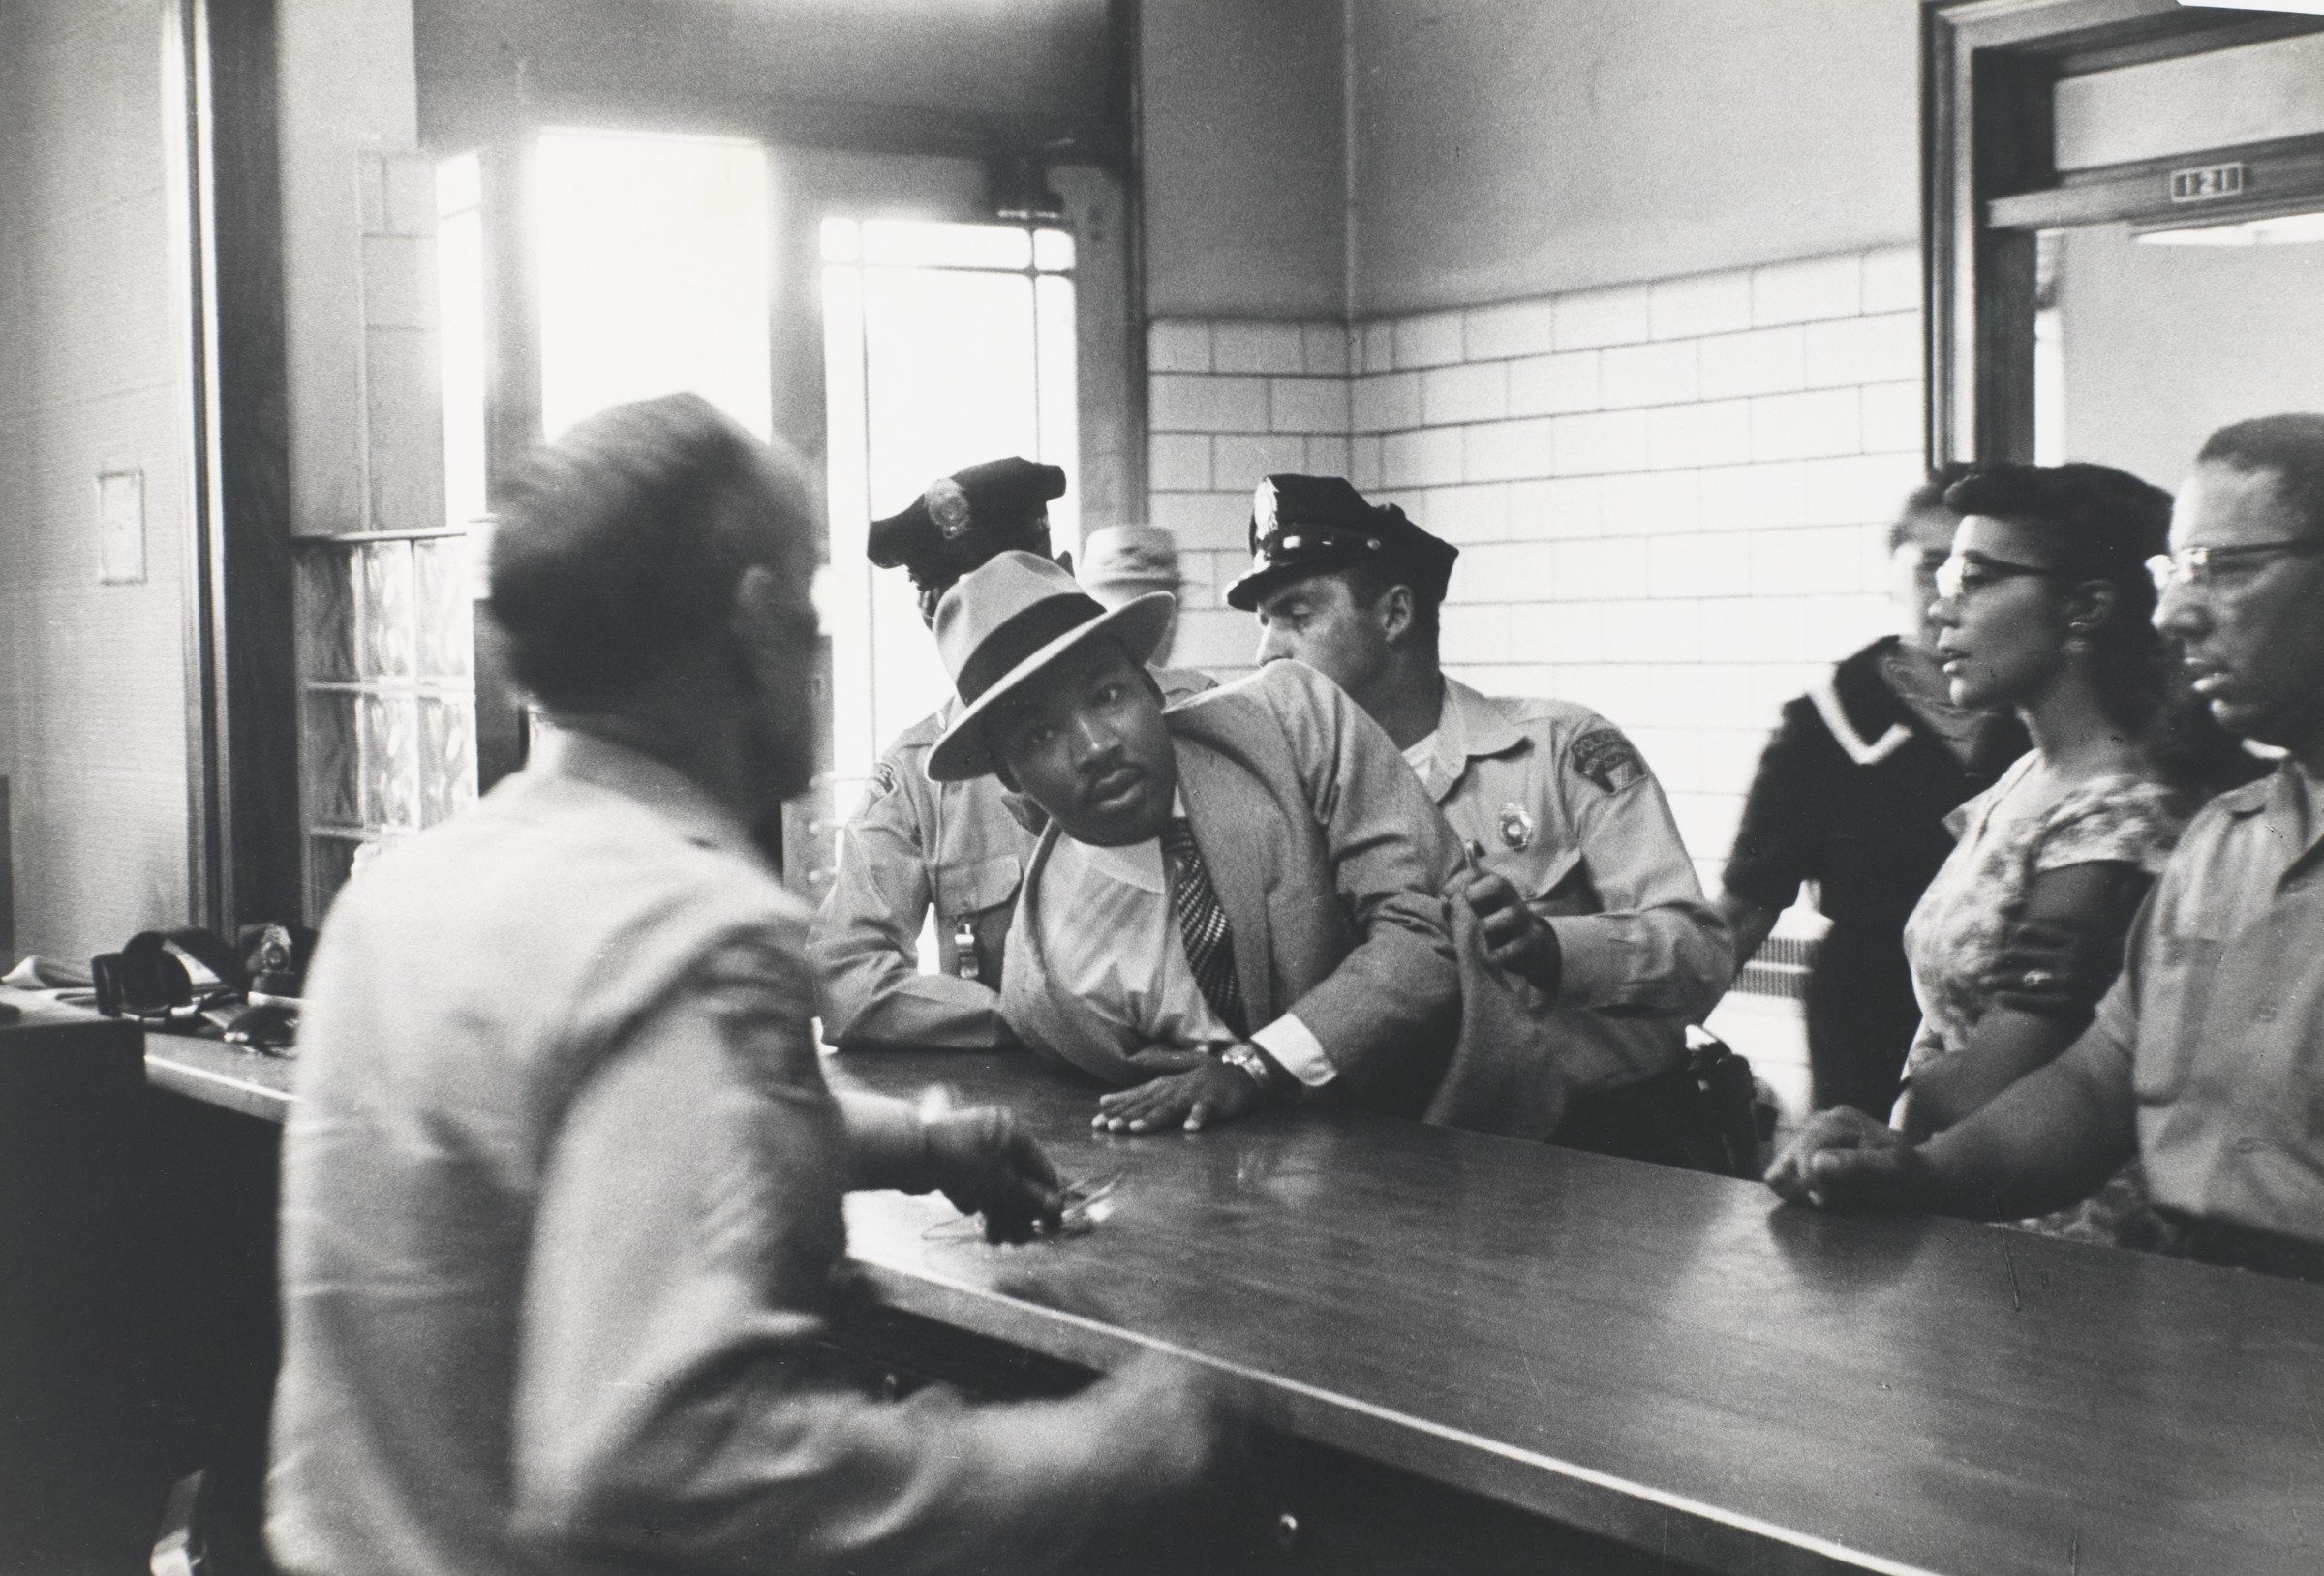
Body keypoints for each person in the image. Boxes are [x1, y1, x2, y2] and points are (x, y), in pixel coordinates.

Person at [268, 396, 1231, 1576]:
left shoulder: (410, 894)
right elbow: (659, 1462)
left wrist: (919, 1145)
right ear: (755, 620)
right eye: (813, 612)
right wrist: (1106, 1448)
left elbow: (577, 1134)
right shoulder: (683, 933)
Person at [1766, 414, 2324, 1283]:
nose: (2175, 612)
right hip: (2194, 1317)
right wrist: (1915, 1171)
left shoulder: (2134, 816)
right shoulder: (2225, 840)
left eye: (2226, 569)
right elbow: (2100, 1081)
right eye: (2174, 573)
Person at [1230, 474, 1733, 1169]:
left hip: (1609, 1148)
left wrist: (1551, 949)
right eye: (1262, 623)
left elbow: (1700, 954)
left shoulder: (1556, 751)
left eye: (1297, 615)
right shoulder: (1285, 803)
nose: (1267, 653)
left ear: (1395, 615)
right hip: (1413, 1159)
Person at [919, 550, 1478, 1136]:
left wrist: (1255, 1067)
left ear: (1154, 690)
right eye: (1041, 734)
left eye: (1108, 696)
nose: (1094, 746)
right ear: (1010, 777)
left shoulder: (1293, 721)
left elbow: (1424, 932)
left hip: (1484, 1117)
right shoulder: (1050, 989)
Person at [811, 459, 1209, 1050]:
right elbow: (846, 978)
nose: (1002, 620)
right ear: (930, 619)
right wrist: (1043, 1019)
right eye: (963, 604)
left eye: (1022, 580)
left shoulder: (1197, 715)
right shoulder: (919, 773)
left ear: (1067, 576)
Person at [1884, 463, 2193, 1156]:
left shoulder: (2120, 813)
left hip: (2047, 1224)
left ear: (2085, 607)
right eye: (1943, 581)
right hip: (1962, 1182)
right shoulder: (2025, 776)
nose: (1940, 610)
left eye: (1975, 579)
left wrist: (1890, 1127)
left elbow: (2004, 1071)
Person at [1718, 468, 2028, 1118]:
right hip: (1868, 1016)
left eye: (1976, 575)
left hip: (2023, 1023)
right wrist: (1650, 1041)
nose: (1949, 595)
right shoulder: (1827, 720)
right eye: (1930, 567)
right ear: (1891, 572)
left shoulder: (2042, 713)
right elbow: (1746, 906)